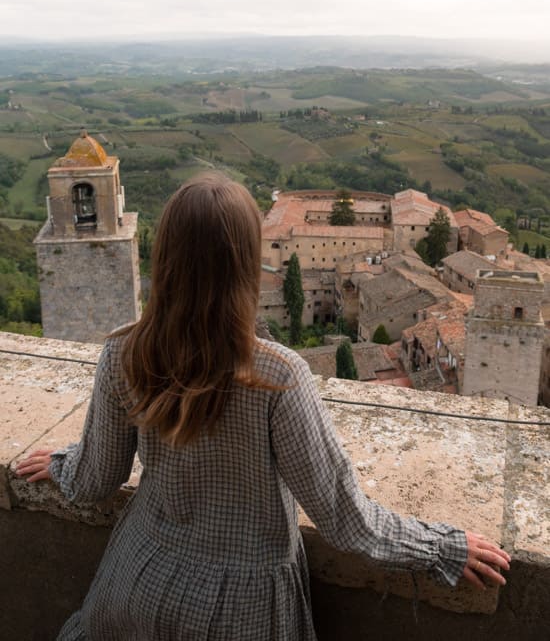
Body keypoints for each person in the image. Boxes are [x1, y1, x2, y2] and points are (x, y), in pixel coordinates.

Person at [16, 171, 510, 640]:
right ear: (246, 262)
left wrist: (62, 465)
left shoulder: (123, 352)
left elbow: (96, 481)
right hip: (239, 609)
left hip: (134, 581)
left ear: (164, 256)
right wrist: (441, 547)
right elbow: (344, 519)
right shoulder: (276, 376)